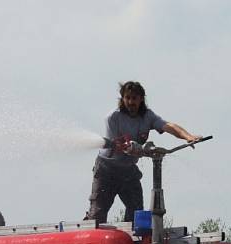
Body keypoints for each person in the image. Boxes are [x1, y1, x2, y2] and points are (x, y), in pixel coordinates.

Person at [86, 81, 201, 224]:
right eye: (127, 98)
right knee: (97, 214)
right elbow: (118, 145)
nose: (130, 102)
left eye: (134, 98)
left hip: (128, 170)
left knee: (137, 213)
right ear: (122, 99)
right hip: (106, 170)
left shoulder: (148, 116)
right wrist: (136, 149)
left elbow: (167, 126)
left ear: (141, 99)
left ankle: (135, 242)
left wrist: (188, 136)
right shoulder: (113, 118)